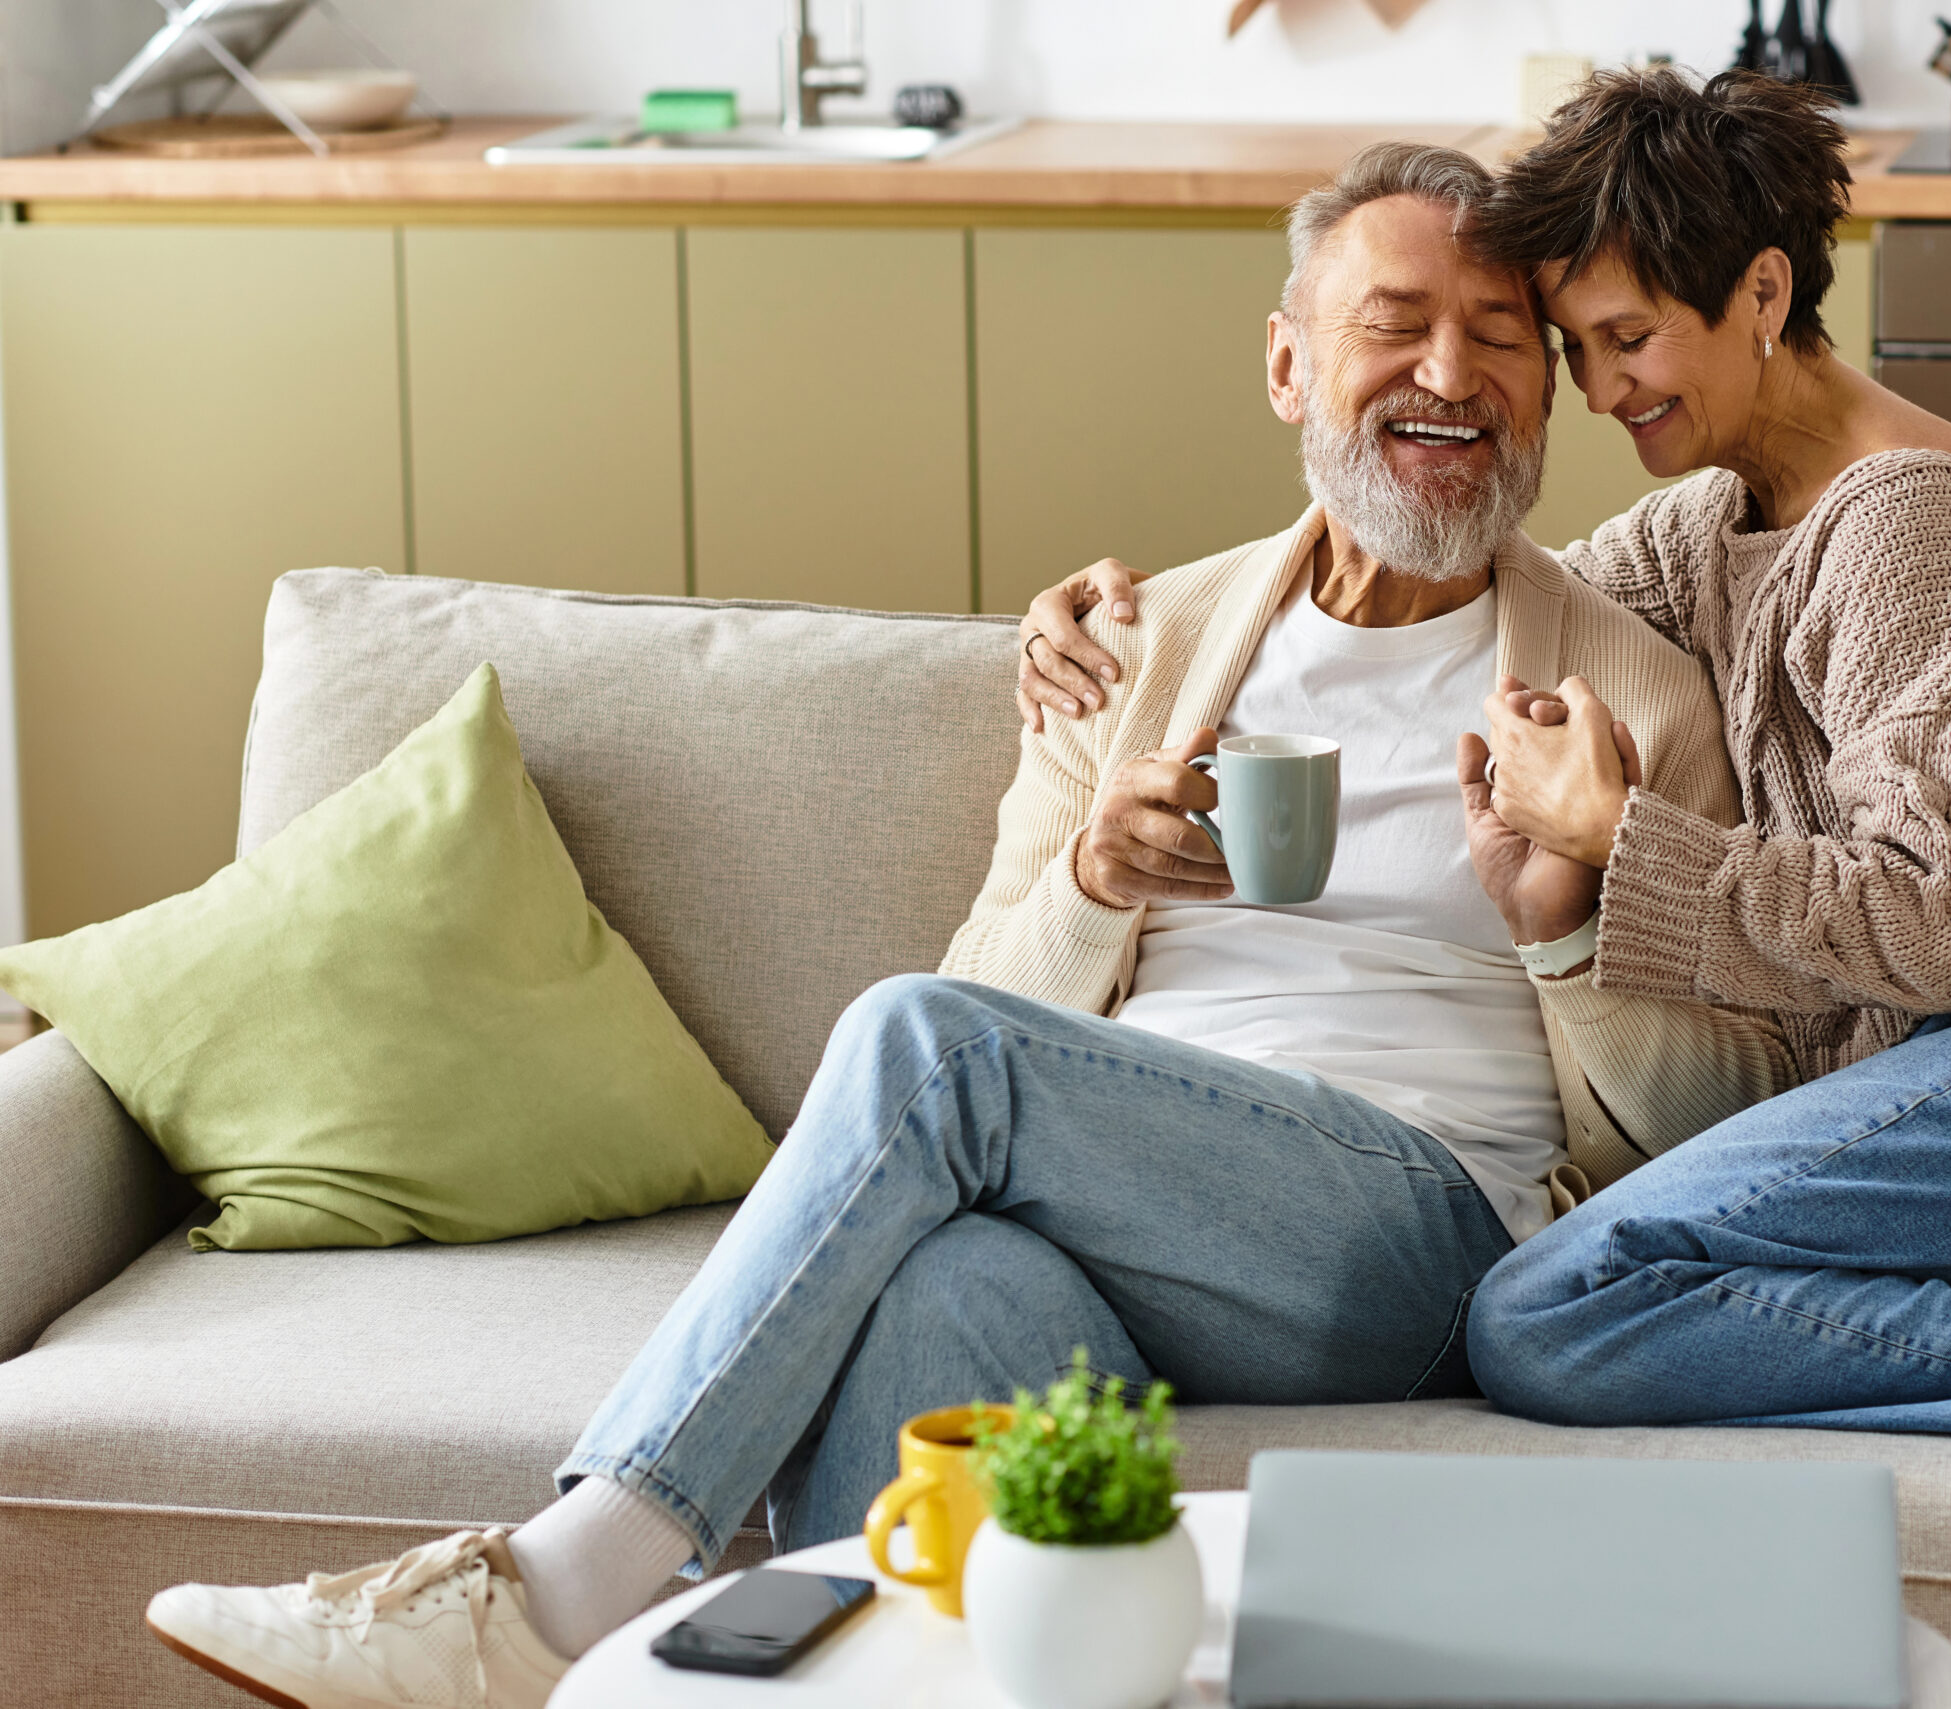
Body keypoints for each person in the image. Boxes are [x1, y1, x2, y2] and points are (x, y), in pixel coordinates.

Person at [144, 142, 1790, 1709]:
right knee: (942, 1286)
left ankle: (559, 1589)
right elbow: (994, 1000)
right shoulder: (1139, 646)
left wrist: (1573, 917)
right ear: (1290, 369)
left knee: (919, 1045)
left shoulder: (1628, 688)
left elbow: (1715, 1119)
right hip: (1113, 1224)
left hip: (1412, 1232)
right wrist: (1092, 882)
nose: (1450, 371)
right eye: (1394, 323)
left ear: (1545, 399)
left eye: (1499, 337)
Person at [1016, 70, 1951, 1443]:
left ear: (1763, 292)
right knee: (1552, 1311)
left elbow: (1935, 923)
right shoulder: (1709, 527)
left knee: (1549, 1303)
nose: (1600, 389)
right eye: (1578, 346)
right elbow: (1478, 577)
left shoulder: (1932, 520)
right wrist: (1128, 613)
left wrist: (1618, 840)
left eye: (1633, 337)